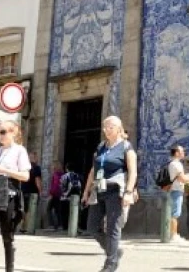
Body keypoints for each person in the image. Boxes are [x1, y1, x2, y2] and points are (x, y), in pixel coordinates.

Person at [82, 116, 138, 272]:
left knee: (113, 228)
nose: (106, 130)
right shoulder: (101, 147)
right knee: (92, 227)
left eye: (110, 127)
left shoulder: (126, 147)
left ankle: (110, 264)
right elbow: (93, 170)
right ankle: (114, 251)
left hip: (115, 190)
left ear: (119, 128)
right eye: (104, 127)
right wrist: (86, 191)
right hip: (99, 190)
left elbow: (133, 172)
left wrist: (128, 192)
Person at [0, 120, 30, 272]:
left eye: (3, 132)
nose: (0, 135)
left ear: (13, 132)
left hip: (10, 193)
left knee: (7, 235)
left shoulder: (19, 150)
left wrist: (3, 170)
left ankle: (9, 269)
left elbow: (25, 176)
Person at [167, 145, 189, 244]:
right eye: (182, 151)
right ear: (176, 153)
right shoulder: (176, 164)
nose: (183, 153)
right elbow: (182, 179)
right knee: (175, 214)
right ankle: (173, 235)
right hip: (176, 190)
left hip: (175, 189)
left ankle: (172, 234)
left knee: (174, 213)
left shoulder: (172, 164)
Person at [21, 151, 42, 231]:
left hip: (24, 190)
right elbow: (37, 180)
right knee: (31, 209)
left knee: (24, 209)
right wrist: (40, 191)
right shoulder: (36, 168)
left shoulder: (24, 167)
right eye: (36, 157)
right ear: (35, 158)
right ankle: (29, 226)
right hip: (33, 191)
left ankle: (23, 226)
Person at [59, 163, 83, 232]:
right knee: (74, 213)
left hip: (65, 198)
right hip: (75, 198)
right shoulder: (78, 176)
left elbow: (61, 186)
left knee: (64, 213)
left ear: (67, 168)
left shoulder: (64, 176)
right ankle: (75, 226)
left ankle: (65, 227)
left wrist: (63, 194)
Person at [46, 162, 62, 231]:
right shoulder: (62, 174)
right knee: (58, 210)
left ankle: (52, 225)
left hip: (55, 195)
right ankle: (59, 225)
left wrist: (51, 194)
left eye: (52, 167)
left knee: (49, 209)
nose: (50, 168)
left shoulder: (55, 175)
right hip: (60, 195)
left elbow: (55, 185)